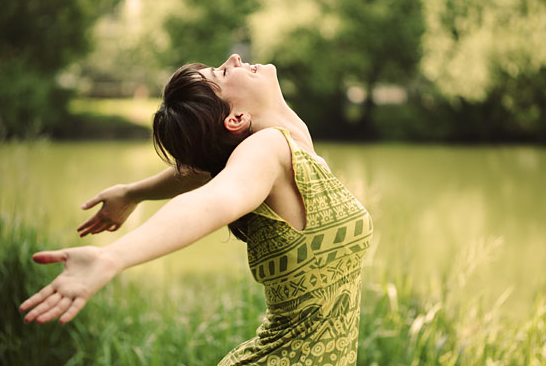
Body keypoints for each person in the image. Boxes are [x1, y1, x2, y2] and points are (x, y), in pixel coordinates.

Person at [19, 54, 373, 365]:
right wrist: (111, 257)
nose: (234, 58)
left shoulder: (292, 146)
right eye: (221, 73)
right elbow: (216, 197)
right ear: (236, 118)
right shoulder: (268, 148)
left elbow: (203, 172)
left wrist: (133, 192)